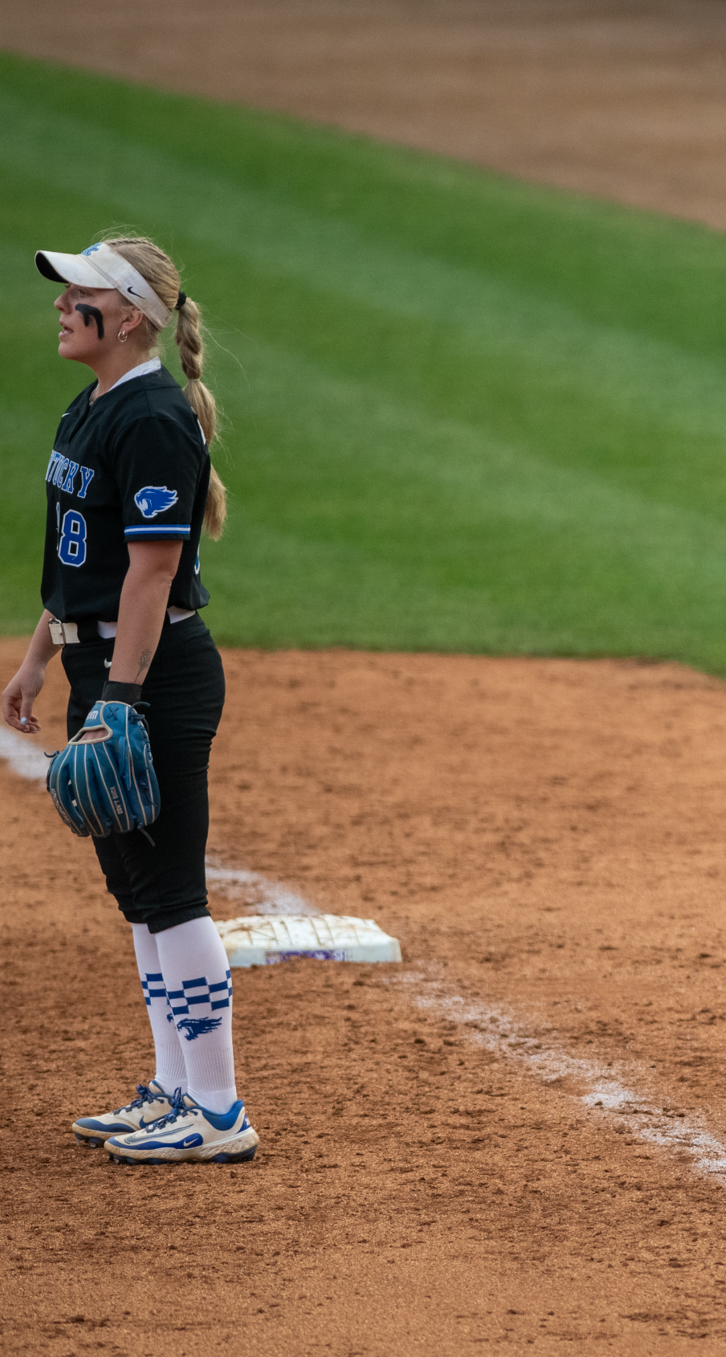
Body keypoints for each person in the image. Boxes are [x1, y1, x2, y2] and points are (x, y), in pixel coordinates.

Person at [2, 237, 257, 1163]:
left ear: (134, 315)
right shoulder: (96, 404)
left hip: (151, 678)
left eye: (84, 294)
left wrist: (119, 700)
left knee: (175, 895)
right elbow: (83, 561)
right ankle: (174, 1089)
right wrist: (38, 660)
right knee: (141, 897)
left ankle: (219, 1111)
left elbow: (150, 574)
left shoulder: (151, 415)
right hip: (102, 668)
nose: (64, 305)